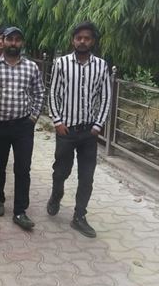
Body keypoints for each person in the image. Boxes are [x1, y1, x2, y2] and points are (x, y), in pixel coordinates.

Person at [47, 22, 111, 238]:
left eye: (87, 38)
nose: (82, 41)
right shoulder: (61, 63)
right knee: (61, 171)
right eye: (79, 38)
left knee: (87, 176)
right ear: (73, 40)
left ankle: (79, 216)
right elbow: (53, 93)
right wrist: (57, 121)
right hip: (66, 130)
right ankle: (56, 194)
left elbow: (105, 97)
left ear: (92, 41)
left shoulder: (101, 66)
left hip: (88, 133)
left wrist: (98, 125)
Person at [0, 27, 45, 231]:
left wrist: (33, 118)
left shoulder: (31, 67)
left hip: (23, 126)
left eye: (18, 40)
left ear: (22, 43)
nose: (13, 43)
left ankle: (20, 210)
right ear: (3, 41)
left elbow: (39, 93)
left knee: (22, 168)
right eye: (10, 39)